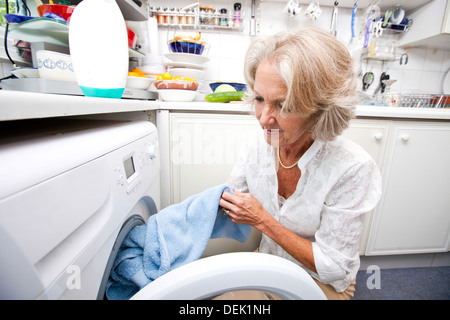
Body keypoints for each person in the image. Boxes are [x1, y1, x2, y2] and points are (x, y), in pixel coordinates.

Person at [219, 28, 382, 300]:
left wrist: (263, 220)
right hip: (270, 261)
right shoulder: (257, 145)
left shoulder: (352, 168)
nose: (263, 118)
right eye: (260, 99)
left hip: (320, 280)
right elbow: (229, 197)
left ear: (320, 110)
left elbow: (333, 268)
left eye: (283, 105)